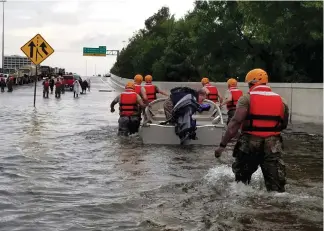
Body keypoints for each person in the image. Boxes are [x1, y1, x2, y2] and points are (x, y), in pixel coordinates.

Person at [214, 68, 289, 192]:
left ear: (251, 83)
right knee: (276, 189)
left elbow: (235, 124)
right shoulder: (281, 100)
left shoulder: (246, 99)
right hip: (273, 144)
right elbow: (283, 124)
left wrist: (222, 145)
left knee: (241, 184)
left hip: (249, 143)